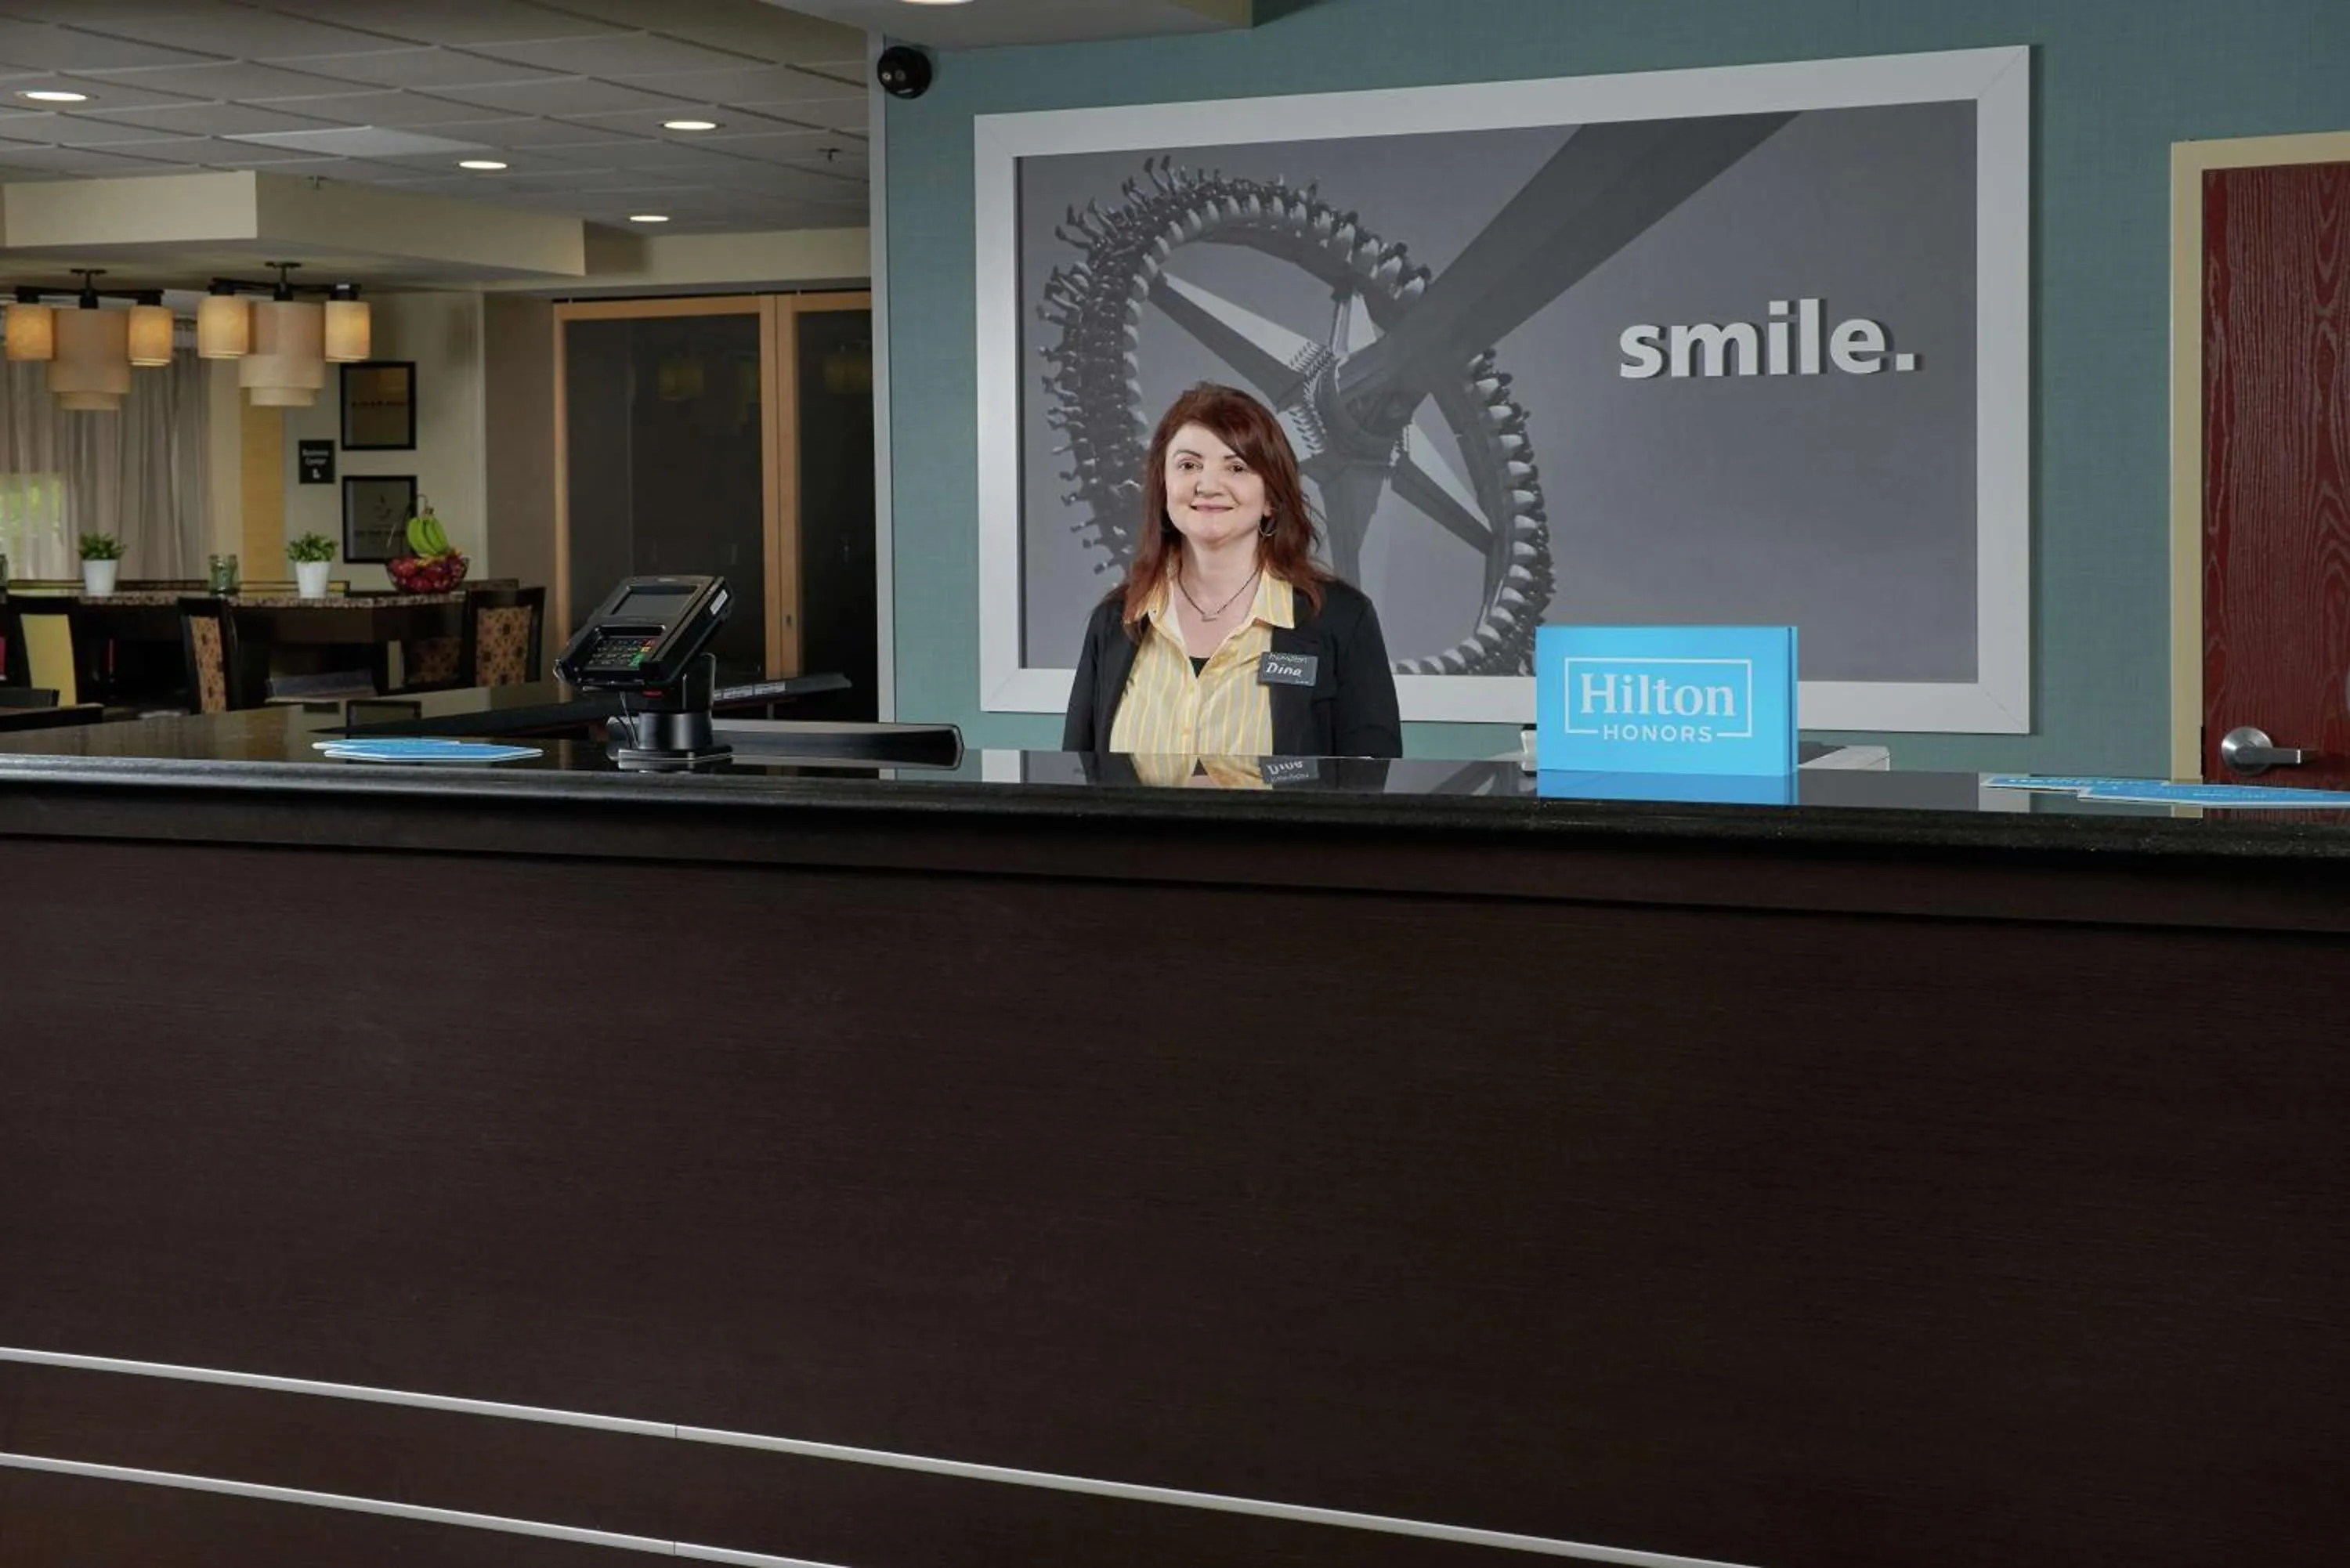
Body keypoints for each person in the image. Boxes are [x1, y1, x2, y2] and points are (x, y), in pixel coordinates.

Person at [1061, 383, 1403, 760]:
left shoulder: (1343, 620)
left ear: (1271, 498)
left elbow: (1368, 796)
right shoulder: (1114, 623)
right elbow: (1078, 788)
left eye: (1236, 467)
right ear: (1164, 485)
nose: (1208, 486)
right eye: (1189, 465)